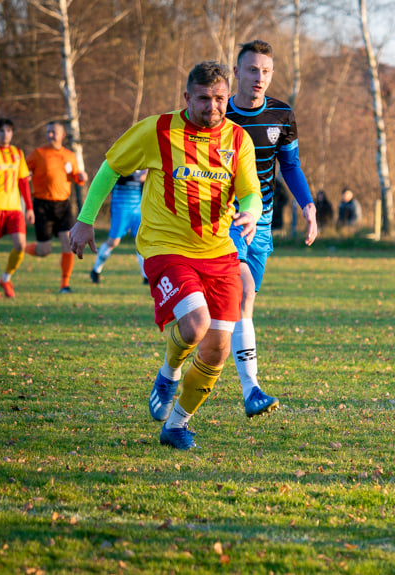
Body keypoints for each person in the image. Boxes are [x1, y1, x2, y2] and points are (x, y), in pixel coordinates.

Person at [68, 61, 262, 450]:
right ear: (187, 97)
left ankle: (176, 425)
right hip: (165, 248)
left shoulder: (238, 139)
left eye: (220, 99)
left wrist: (252, 212)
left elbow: (251, 191)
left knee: (219, 348)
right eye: (204, 99)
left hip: (218, 251)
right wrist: (86, 220)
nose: (213, 107)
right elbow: (110, 167)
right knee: (194, 325)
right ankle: (169, 372)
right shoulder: (158, 130)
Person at [225, 39, 317, 418]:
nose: (258, 78)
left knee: (241, 305)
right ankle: (252, 391)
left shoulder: (282, 114)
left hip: (262, 221)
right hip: (224, 219)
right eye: (251, 70)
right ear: (236, 73)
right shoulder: (219, 113)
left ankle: (180, 365)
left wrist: (308, 206)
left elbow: (290, 166)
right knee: (242, 292)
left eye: (265, 71)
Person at [25, 121, 89, 293]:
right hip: (42, 206)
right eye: (48, 132)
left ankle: (64, 285)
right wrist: (27, 176)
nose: (50, 135)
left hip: (63, 205)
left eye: (53, 132)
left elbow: (77, 177)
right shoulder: (38, 154)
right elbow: (22, 172)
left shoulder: (69, 155)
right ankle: (22, 247)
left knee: (68, 244)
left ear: (61, 135)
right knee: (44, 250)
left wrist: (82, 177)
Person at [0, 118, 34, 299]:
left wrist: (29, 208)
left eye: (9, 130)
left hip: (14, 209)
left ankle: (5, 277)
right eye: (1, 131)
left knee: (20, 245)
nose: (5, 134)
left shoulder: (18, 153)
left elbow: (23, 182)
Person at [89, 169, 148, 285]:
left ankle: (146, 277)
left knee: (141, 242)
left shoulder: (142, 163)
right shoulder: (122, 161)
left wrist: (145, 176)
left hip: (138, 209)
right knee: (113, 242)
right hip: (120, 208)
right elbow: (116, 178)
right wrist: (136, 177)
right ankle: (96, 270)